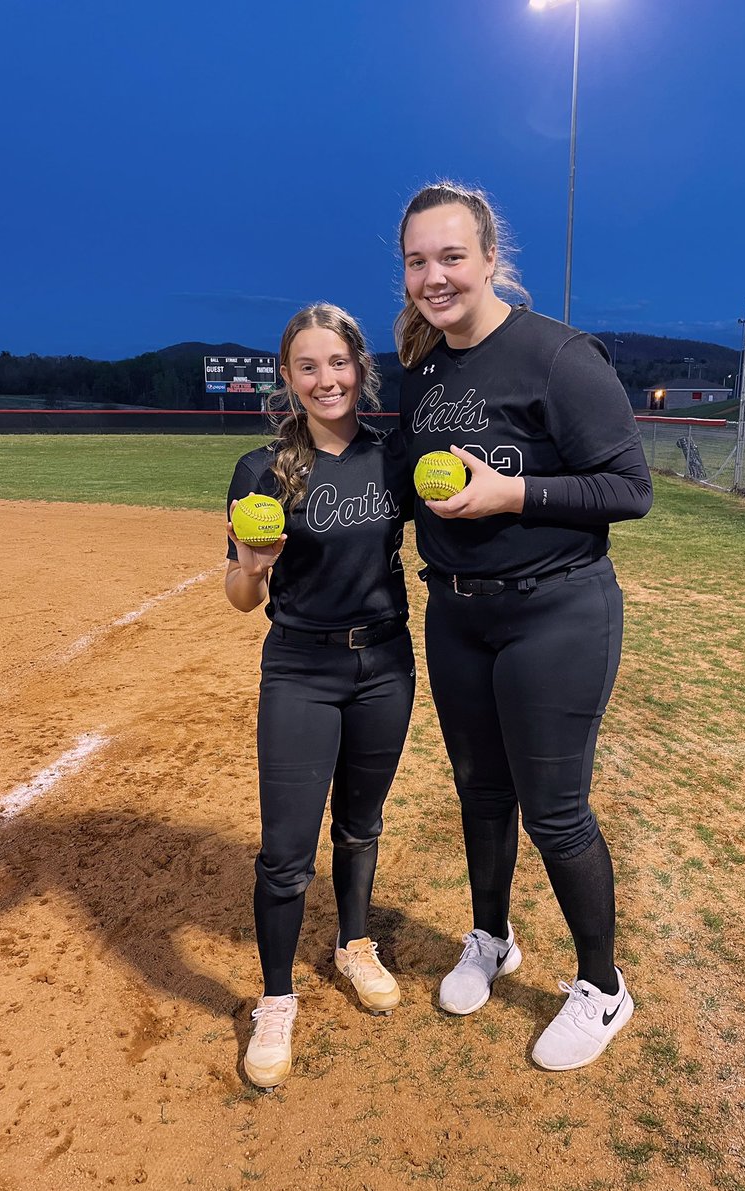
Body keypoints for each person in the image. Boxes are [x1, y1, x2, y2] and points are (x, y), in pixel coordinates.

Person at [396, 182, 652, 1071]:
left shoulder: (557, 356)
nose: (435, 276)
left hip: (557, 612)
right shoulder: (424, 372)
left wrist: (515, 492)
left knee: (556, 811)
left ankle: (603, 988)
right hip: (459, 616)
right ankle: (492, 938)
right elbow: (401, 483)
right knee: (480, 791)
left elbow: (630, 489)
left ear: (491, 259)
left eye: (452, 256)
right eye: (418, 261)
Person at [225, 303, 415, 1091]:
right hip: (300, 669)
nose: (326, 379)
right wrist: (253, 562)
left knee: (362, 824)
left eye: (338, 363)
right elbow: (239, 597)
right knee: (285, 851)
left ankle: (353, 942)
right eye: (308, 366)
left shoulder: (396, 456)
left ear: (359, 367)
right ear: (289, 377)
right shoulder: (260, 471)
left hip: (387, 664)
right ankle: (276, 998)